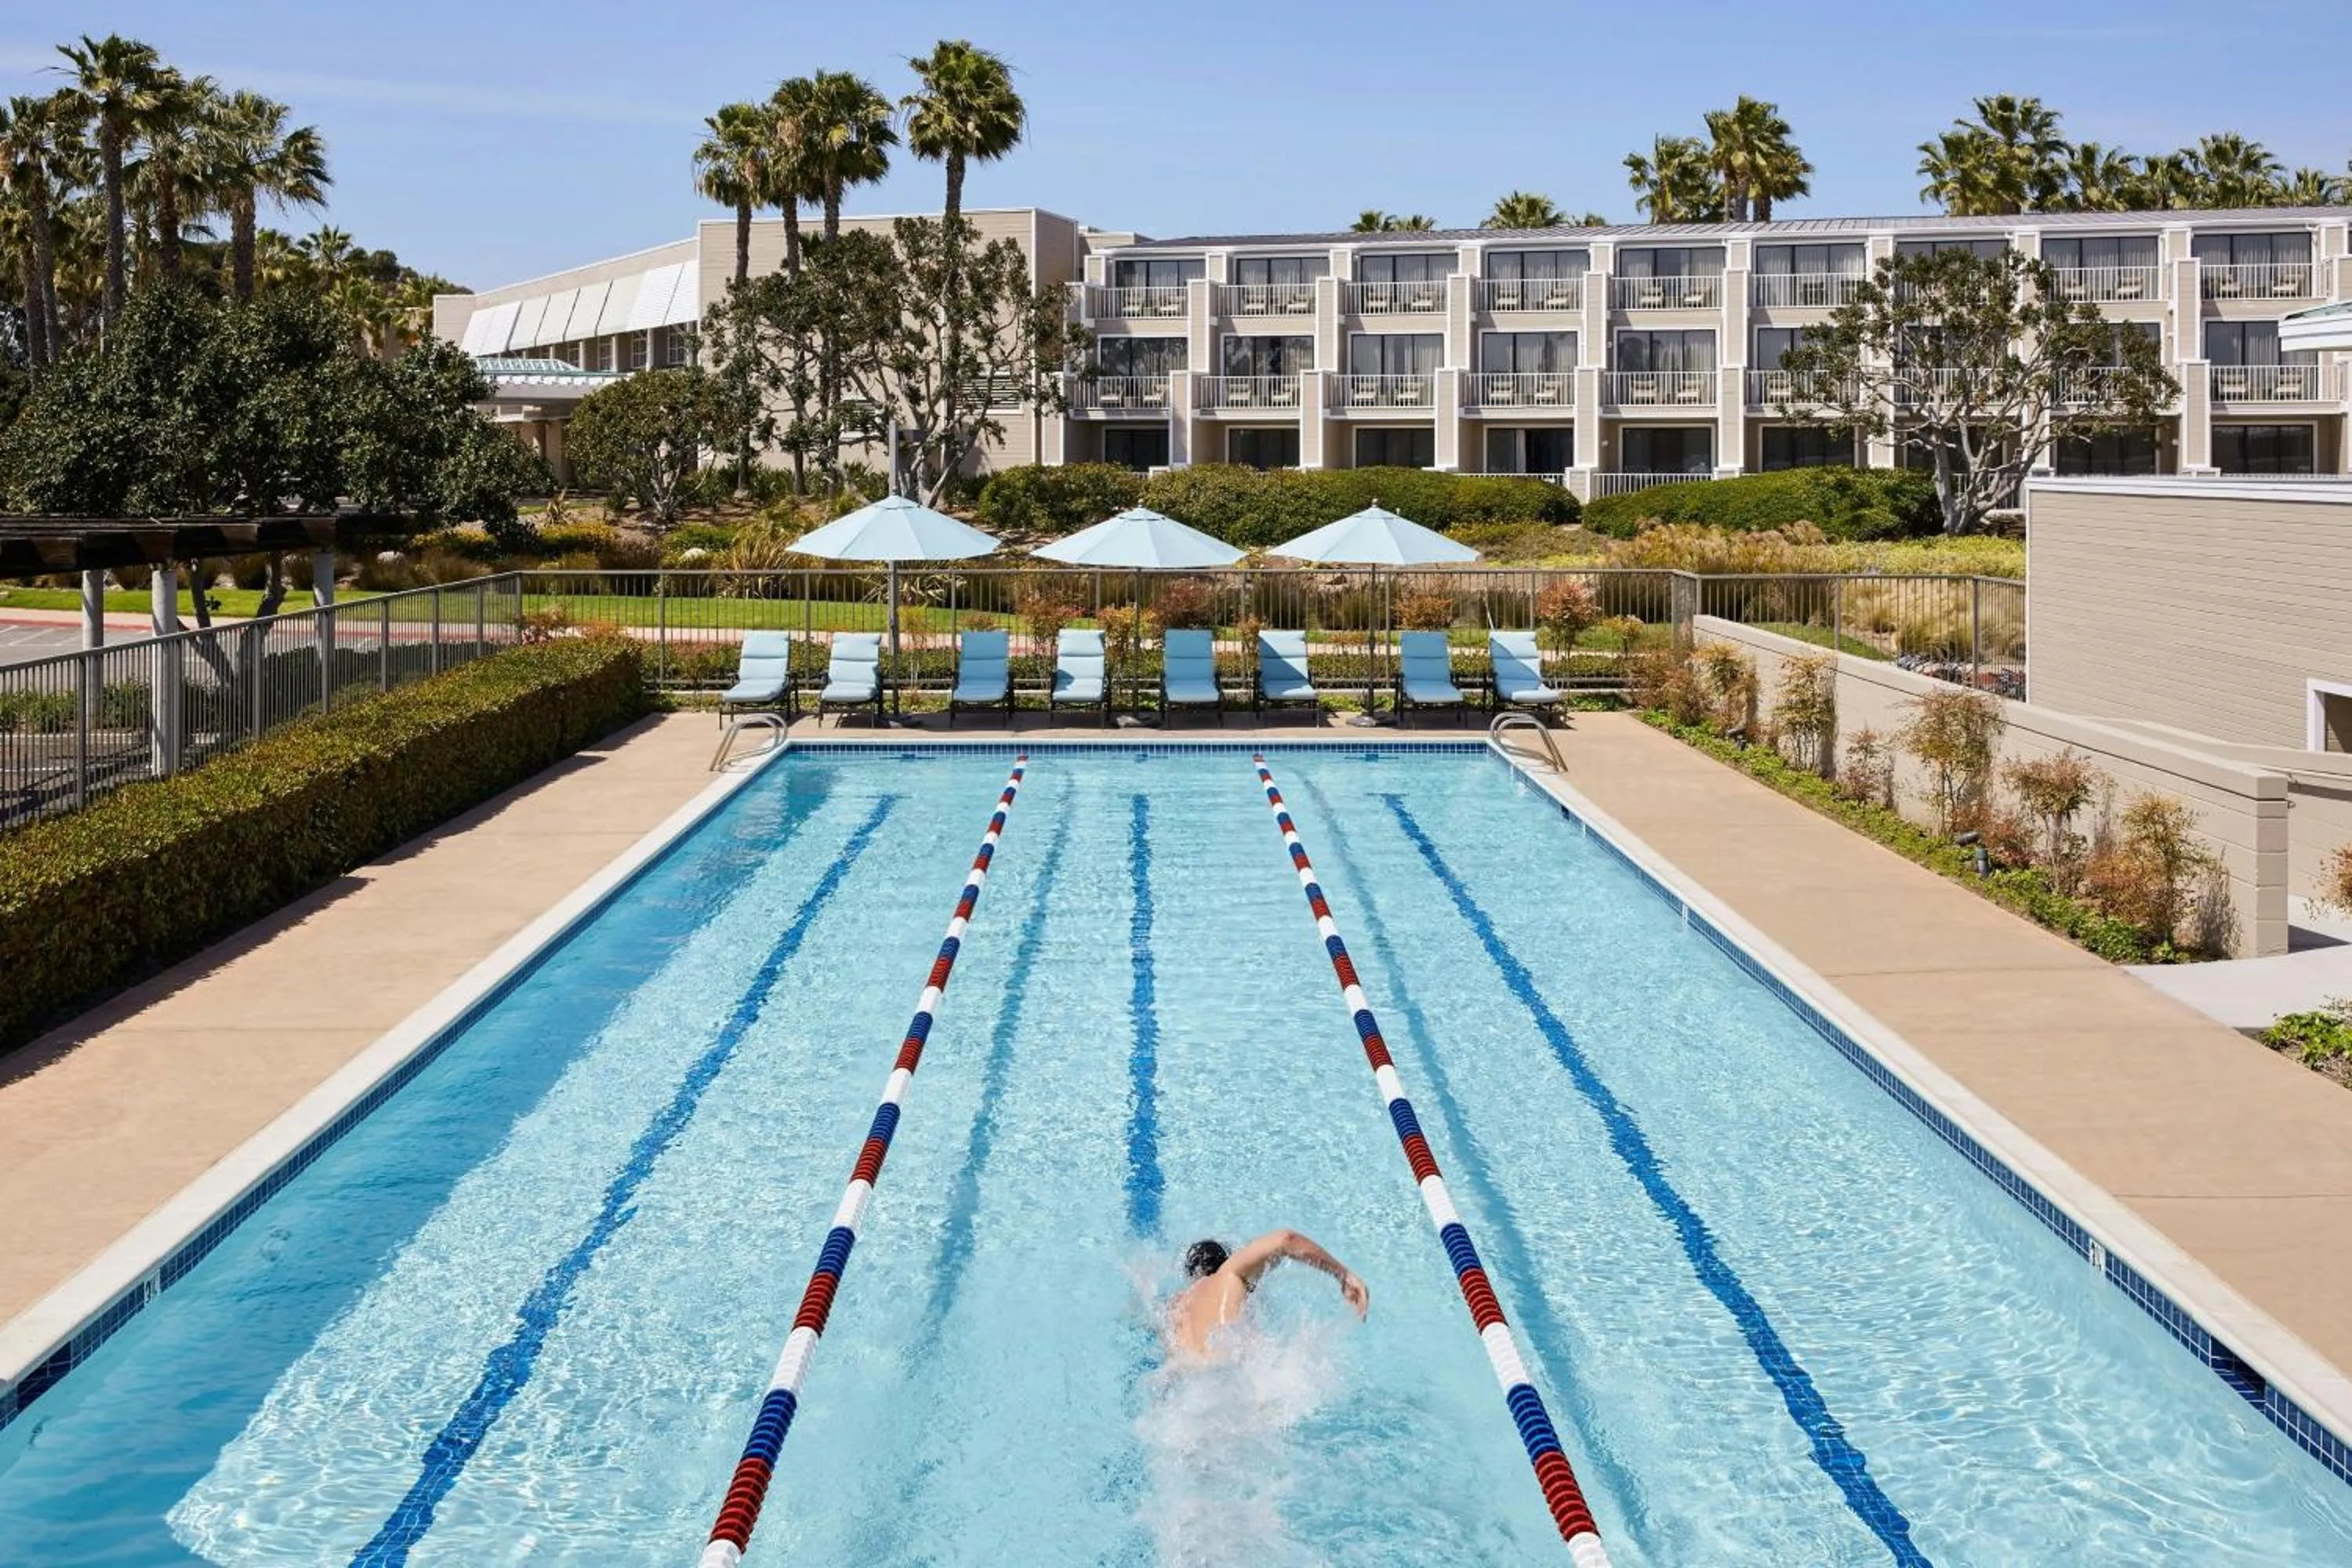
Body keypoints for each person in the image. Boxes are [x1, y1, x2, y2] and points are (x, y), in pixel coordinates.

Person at [1166, 1229, 1368, 1359]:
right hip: (1231, 1381)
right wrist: (1344, 1275)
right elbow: (1286, 1239)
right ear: (1225, 1260)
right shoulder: (1228, 1273)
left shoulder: (1176, 1308)